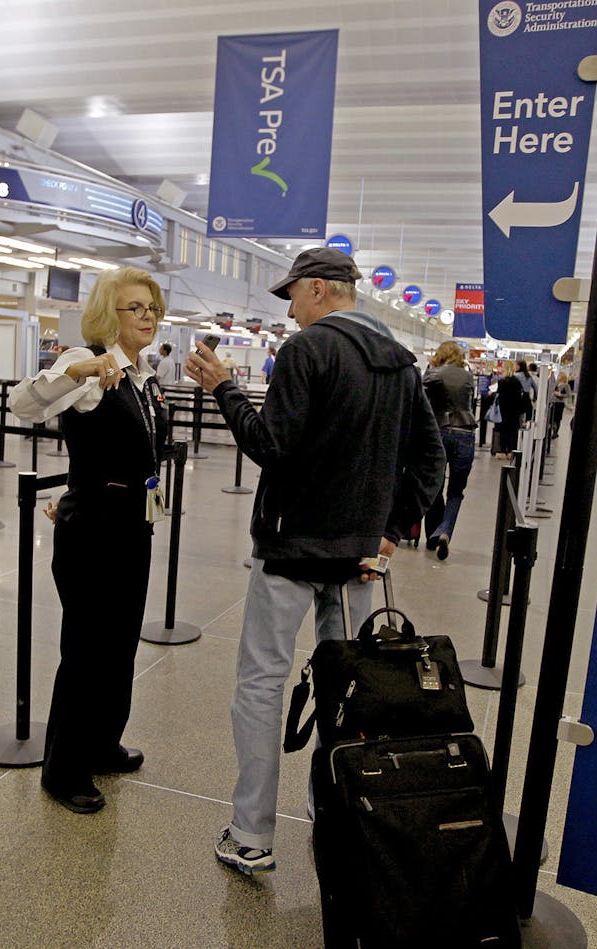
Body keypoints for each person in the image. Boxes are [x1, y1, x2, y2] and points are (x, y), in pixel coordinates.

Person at [183, 246, 443, 875]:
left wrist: (224, 389)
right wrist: (390, 530)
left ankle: (250, 835)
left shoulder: (307, 352)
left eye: (293, 295)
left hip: (292, 548)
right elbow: (432, 461)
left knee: (262, 684)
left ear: (322, 290)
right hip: (357, 557)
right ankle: (333, 813)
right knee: (347, 686)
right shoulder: (402, 365)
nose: (291, 309)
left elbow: (270, 443)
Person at [9, 266, 167, 814]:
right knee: (86, 652)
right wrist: (76, 372)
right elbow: (23, 404)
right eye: (135, 308)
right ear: (109, 315)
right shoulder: (84, 367)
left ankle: (102, 742)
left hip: (132, 529)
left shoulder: (143, 376)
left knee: (120, 645)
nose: (147, 316)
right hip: (93, 535)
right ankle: (63, 769)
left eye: (151, 307)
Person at [422, 340, 477, 560]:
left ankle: (433, 533)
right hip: (465, 433)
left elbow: (420, 395)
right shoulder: (468, 376)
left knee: (435, 485)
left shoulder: (433, 374)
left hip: (440, 432)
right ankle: (444, 531)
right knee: (456, 491)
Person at [493, 362, 528, 460]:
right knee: (512, 432)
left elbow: (499, 397)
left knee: (503, 431)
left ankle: (502, 450)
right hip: (514, 411)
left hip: (503, 411)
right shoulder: (517, 382)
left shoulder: (502, 382)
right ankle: (511, 451)